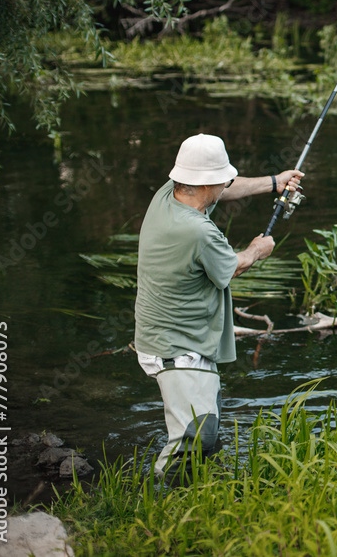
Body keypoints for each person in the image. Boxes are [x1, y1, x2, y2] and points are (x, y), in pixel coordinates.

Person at [133, 133, 303, 480]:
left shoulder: (167, 194)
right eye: (222, 177)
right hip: (177, 347)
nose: (227, 181)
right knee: (194, 437)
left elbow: (226, 186)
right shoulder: (198, 232)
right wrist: (258, 248)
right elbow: (234, 267)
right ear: (207, 182)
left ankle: (196, 491)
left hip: (165, 336)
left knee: (205, 432)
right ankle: (159, 501)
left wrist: (274, 182)